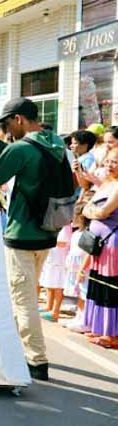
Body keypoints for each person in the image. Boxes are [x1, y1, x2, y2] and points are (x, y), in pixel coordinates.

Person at [0, 97, 70, 380]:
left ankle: (36, 361)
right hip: (47, 231)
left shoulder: (21, 148)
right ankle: (21, 348)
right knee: (29, 294)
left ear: (18, 119)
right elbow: (19, 152)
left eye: (7, 125)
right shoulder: (53, 142)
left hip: (22, 234)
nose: (6, 131)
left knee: (24, 300)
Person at [80, 146, 118, 349]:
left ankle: (112, 333)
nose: (110, 165)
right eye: (108, 161)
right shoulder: (106, 184)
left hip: (112, 243)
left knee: (109, 286)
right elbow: (86, 206)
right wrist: (91, 210)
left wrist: (90, 211)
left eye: (115, 162)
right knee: (97, 283)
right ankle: (100, 327)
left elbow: (102, 212)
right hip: (98, 242)